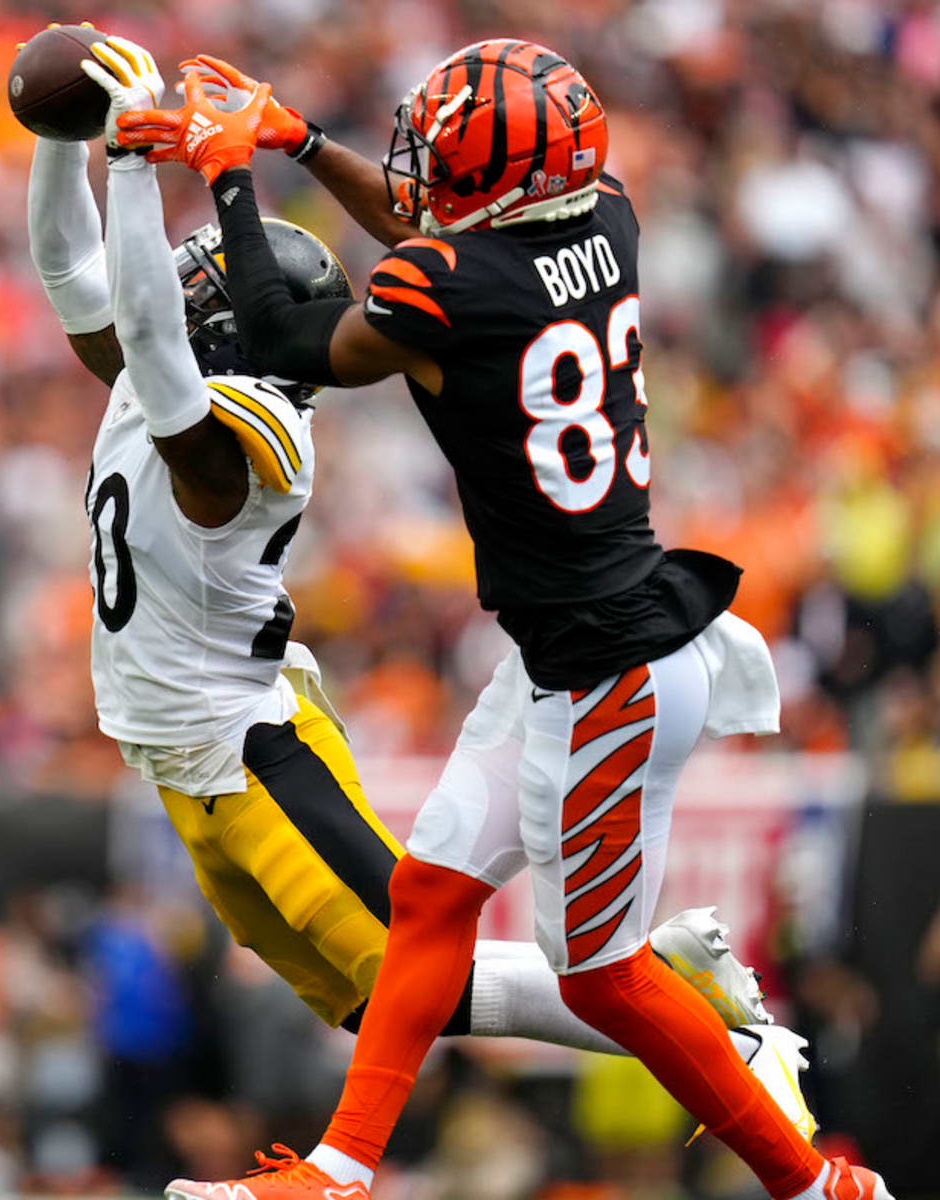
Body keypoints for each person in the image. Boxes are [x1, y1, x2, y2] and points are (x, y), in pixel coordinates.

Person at [117, 38, 893, 1200]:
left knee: (603, 978)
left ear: (501, 180)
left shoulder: (456, 287)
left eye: (446, 155)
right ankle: (340, 1171)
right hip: (574, 646)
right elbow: (441, 253)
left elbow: (287, 341)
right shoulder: (607, 218)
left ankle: (818, 1183)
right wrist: (300, 144)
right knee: (430, 897)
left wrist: (232, 176)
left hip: (607, 673)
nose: (424, 168)